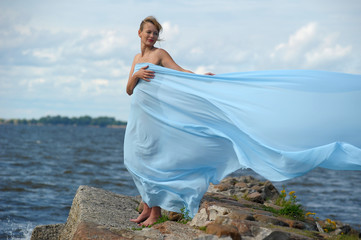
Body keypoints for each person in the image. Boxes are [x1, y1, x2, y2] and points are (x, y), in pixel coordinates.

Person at [126, 16, 213, 226]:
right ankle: (146, 209)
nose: (152, 36)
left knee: (151, 161)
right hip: (138, 115)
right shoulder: (137, 58)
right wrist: (136, 74)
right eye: (148, 32)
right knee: (135, 160)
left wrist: (201, 78)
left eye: (155, 33)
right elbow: (128, 90)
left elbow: (180, 71)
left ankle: (155, 213)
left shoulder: (160, 54)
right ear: (139, 33)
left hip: (154, 114)